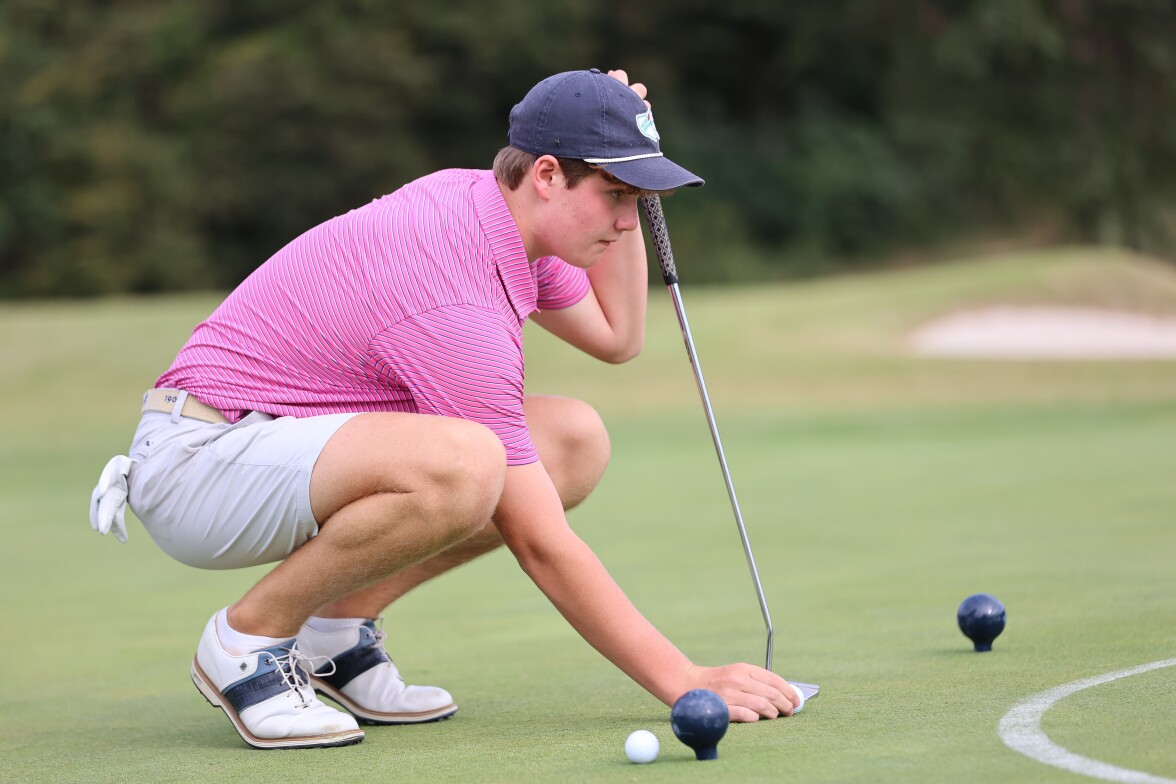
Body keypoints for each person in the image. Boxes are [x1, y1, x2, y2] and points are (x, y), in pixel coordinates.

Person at [89, 68, 803, 750]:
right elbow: (538, 540)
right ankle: (245, 642)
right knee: (468, 464)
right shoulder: (451, 289)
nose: (629, 222)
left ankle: (335, 632)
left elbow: (618, 337)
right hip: (201, 464)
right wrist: (682, 679)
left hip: (271, 447)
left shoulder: (504, 216)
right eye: (618, 196)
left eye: (639, 201)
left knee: (570, 441)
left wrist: (634, 167)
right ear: (548, 175)